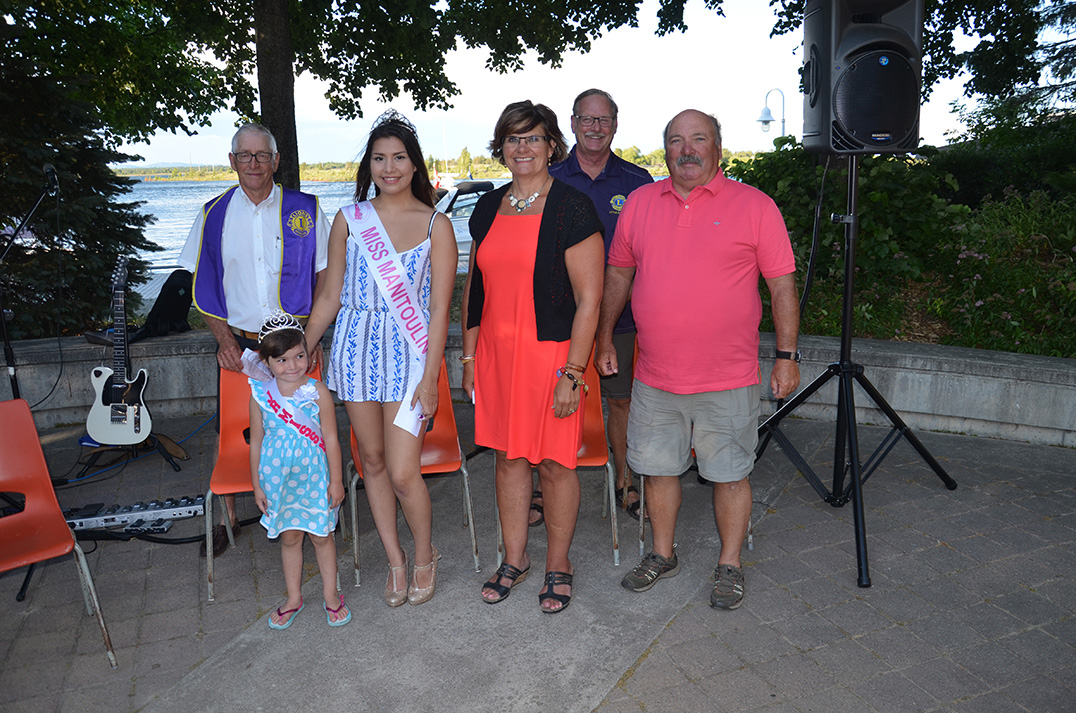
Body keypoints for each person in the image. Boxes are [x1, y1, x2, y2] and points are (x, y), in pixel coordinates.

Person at [598, 109, 801, 610]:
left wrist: (786, 357)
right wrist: (603, 337)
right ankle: (662, 554)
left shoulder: (755, 206)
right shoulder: (641, 204)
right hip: (656, 375)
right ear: (664, 149)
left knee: (730, 474)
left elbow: (782, 288)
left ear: (718, 146)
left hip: (728, 377)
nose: (686, 150)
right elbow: (619, 278)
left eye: (698, 139)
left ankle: (729, 564)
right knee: (657, 469)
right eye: (675, 141)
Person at [304, 111, 456, 607]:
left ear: (415, 166)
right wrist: (303, 348)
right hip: (354, 351)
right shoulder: (351, 220)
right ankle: (395, 559)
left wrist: (432, 377)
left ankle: (426, 554)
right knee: (369, 461)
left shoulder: (438, 225)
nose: (389, 167)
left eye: (399, 158)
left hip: (411, 360)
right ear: (369, 166)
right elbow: (328, 297)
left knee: (403, 470)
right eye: (379, 158)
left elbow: (437, 311)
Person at [461, 100, 605, 613]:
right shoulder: (487, 206)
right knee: (507, 460)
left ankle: (558, 565)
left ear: (551, 146)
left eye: (533, 138)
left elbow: (590, 297)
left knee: (556, 466)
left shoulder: (572, 207)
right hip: (498, 356)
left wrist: (573, 371)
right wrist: (470, 356)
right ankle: (515, 558)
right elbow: (474, 288)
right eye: (513, 139)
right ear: (501, 148)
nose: (522, 148)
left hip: (552, 359)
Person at [178, 123, 330, 558]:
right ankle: (229, 518)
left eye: (262, 155)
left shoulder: (304, 208)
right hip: (241, 348)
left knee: (312, 432)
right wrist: (223, 339)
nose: (253, 163)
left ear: (276, 160)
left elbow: (324, 275)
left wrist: (313, 335)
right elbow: (203, 286)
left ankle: (316, 513)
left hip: (298, 346)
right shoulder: (213, 214)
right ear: (232, 161)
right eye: (244, 156)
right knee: (239, 431)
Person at [548, 88, 653, 522]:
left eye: (603, 120)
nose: (595, 127)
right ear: (572, 123)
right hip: (557, 317)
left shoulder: (637, 182)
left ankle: (626, 481)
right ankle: (544, 486)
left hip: (620, 317)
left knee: (622, 401)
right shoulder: (549, 177)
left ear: (615, 125)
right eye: (586, 119)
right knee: (550, 401)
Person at [247, 312, 348, 628]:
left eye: (299, 356)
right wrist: (257, 485)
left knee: (321, 536)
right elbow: (256, 441)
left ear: (309, 352)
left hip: (315, 478)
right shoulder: (261, 395)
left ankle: (331, 594)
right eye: (282, 360)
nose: (292, 366)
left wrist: (337, 480)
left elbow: (331, 438)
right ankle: (294, 597)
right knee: (289, 537)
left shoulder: (317, 392)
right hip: (278, 480)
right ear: (267, 362)